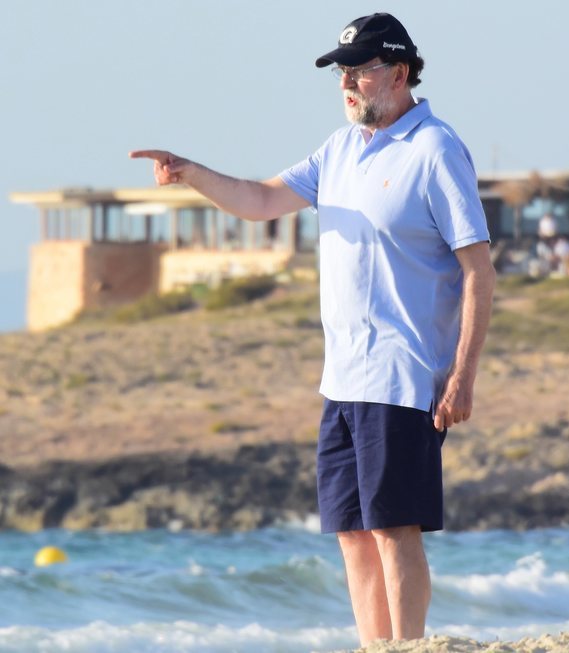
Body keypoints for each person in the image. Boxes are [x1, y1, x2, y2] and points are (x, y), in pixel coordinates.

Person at [131, 12, 495, 645]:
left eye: (360, 70)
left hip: (405, 374)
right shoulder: (341, 147)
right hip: (342, 378)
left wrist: (463, 376)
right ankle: (373, 645)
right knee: (352, 534)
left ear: (400, 72)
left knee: (394, 528)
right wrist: (190, 171)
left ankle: (408, 646)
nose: (348, 83)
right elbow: (262, 201)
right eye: (342, 73)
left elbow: (478, 269)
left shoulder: (436, 149)